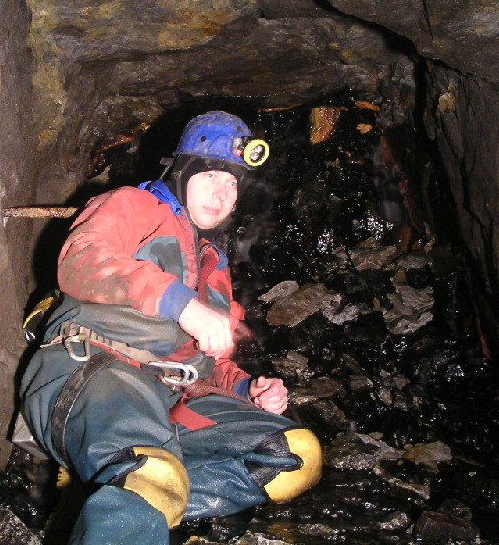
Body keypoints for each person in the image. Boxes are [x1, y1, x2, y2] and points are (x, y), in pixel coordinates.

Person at [19, 111, 322, 544]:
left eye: (232, 183)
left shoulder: (214, 265)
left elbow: (206, 365)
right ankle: (140, 484)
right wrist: (180, 304)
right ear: (183, 172)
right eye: (212, 176)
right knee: (154, 474)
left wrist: (246, 390)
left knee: (295, 457)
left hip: (166, 398)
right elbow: (79, 261)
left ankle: (121, 500)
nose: (222, 194)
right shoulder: (132, 205)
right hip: (91, 372)